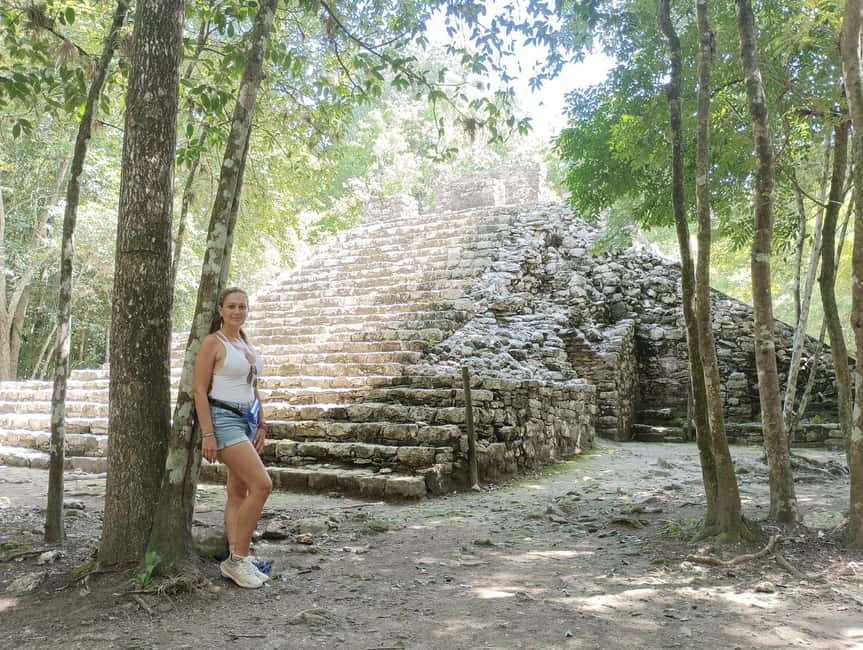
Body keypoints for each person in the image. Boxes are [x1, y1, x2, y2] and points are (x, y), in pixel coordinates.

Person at [193, 287, 272, 589]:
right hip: (223, 420)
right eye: (232, 306)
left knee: (238, 492)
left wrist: (262, 423)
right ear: (220, 310)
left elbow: (253, 387)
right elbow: (199, 390)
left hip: (249, 420)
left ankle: (239, 554)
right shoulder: (214, 342)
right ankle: (236, 560)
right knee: (262, 485)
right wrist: (208, 433)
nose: (238, 311)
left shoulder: (245, 344)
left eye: (243, 306)